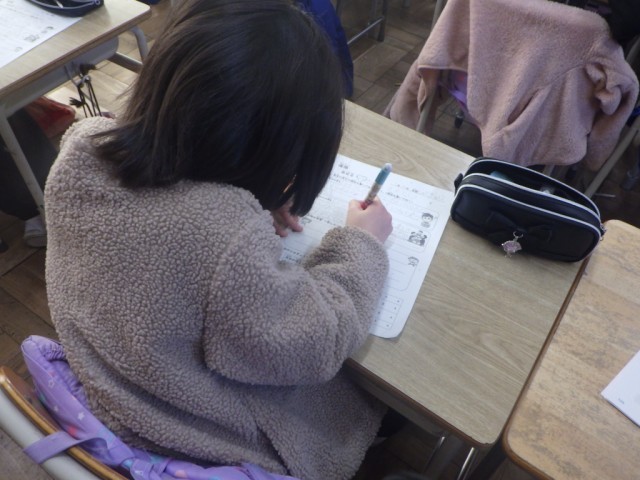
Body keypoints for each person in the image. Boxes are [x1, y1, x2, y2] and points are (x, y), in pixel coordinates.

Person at [44, 1, 393, 480]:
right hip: (182, 434)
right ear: (278, 149)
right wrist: (360, 245)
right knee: (367, 402)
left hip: (107, 381)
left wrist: (254, 195)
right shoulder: (222, 238)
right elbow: (317, 342)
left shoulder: (80, 149)